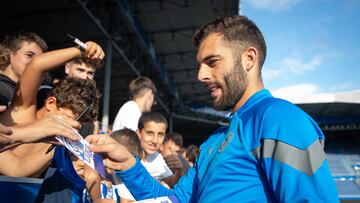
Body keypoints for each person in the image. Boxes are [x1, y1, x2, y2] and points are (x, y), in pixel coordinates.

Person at [87, 15, 339, 202]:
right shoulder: (213, 142)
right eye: (200, 65)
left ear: (248, 59)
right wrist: (129, 164)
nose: (201, 75)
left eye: (212, 62)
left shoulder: (280, 120)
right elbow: (172, 200)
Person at [0, 40, 103, 178]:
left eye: (75, 126)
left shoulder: (56, 142)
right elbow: (36, 66)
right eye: (68, 120)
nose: (69, 128)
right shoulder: (22, 112)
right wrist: (81, 50)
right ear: (50, 103)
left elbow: (17, 171)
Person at [0, 31, 47, 107]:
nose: (35, 62)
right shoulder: (2, 88)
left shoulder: (40, 93)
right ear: (9, 55)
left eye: (39, 59)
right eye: (29, 55)